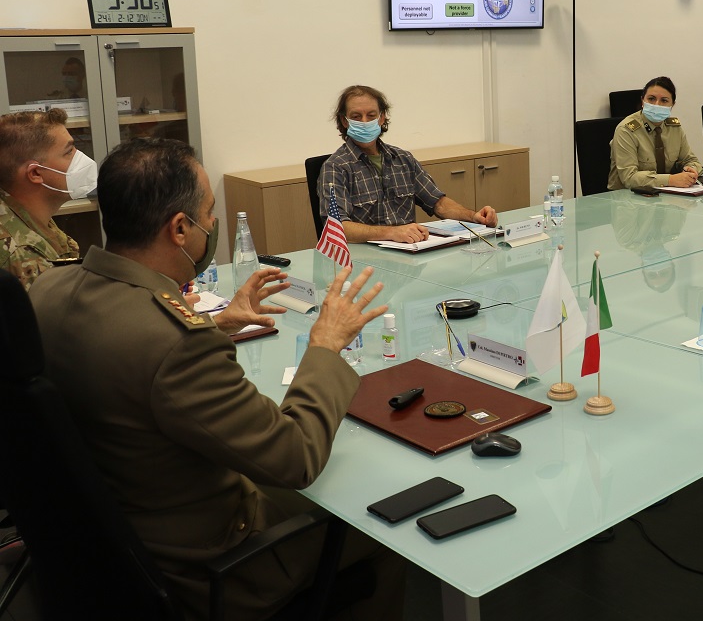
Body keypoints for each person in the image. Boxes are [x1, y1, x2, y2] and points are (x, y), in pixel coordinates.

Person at [29, 137, 405, 619]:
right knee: (384, 526)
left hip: (101, 544)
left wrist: (215, 323)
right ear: (179, 229)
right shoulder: (176, 343)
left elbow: (131, 350)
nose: (213, 223)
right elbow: (296, 458)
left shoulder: (48, 289)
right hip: (206, 568)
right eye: (208, 213)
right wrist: (325, 346)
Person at [319, 85, 498, 244]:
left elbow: (438, 203)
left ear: (382, 118)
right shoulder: (335, 167)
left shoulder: (402, 159)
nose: (364, 122)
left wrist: (473, 216)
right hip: (364, 260)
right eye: (356, 116)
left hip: (409, 252)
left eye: (371, 115)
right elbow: (337, 227)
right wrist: (392, 233)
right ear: (345, 121)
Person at [0, 109, 86, 288]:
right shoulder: (21, 254)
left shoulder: (29, 218)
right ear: (35, 173)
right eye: (69, 151)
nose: (80, 158)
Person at [607, 76, 703, 190]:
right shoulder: (626, 130)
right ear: (643, 101)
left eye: (664, 100)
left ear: (672, 105)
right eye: (651, 99)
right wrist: (671, 180)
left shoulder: (674, 128)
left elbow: (691, 160)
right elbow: (629, 178)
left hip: (662, 194)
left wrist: (690, 171)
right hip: (626, 196)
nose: (657, 104)